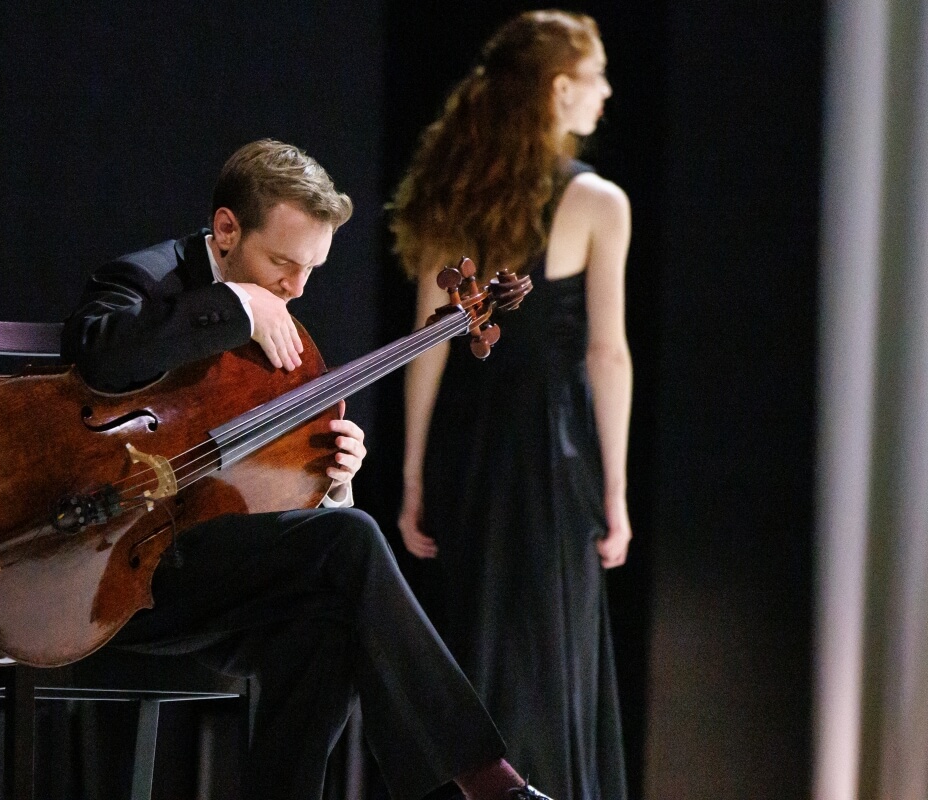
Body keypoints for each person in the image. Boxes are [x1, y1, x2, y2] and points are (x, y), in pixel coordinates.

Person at [62, 139, 547, 800]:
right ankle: (488, 781)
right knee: (352, 544)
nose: (295, 288)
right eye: (282, 263)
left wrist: (331, 481)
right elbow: (97, 354)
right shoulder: (146, 278)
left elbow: (255, 499)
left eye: (312, 269)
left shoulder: (282, 325)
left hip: (208, 578)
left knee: (328, 622)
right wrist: (236, 306)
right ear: (227, 229)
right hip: (105, 569)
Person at [388, 10, 632, 800]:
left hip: (469, 444)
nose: (606, 93)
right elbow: (607, 354)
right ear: (559, 89)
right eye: (595, 77)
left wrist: (413, 475)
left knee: (474, 645)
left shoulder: (454, 195)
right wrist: (616, 492)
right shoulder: (598, 202)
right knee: (550, 657)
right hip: (551, 454)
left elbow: (426, 344)